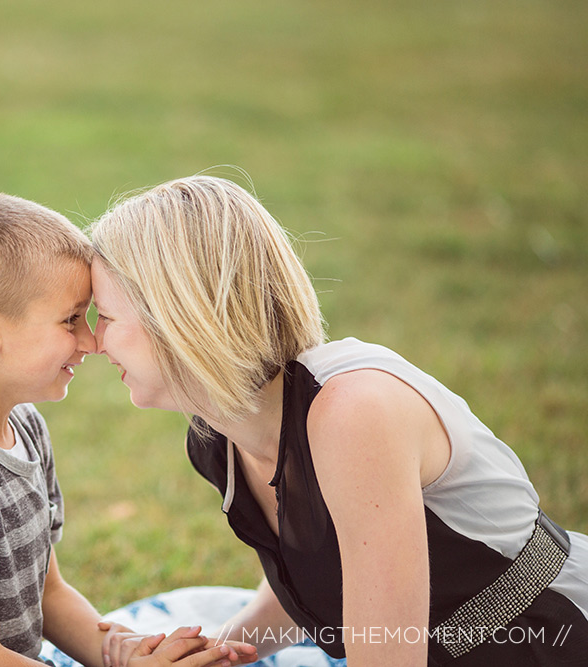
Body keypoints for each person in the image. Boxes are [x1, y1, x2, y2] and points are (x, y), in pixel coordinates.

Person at [88, 175, 588, 666]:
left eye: (105, 316)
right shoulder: (216, 436)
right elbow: (318, 584)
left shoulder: (353, 413)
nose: (92, 340)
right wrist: (218, 653)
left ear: (177, 316)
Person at [0, 191, 256, 667]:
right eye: (71, 319)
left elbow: (49, 594)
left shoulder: (23, 426)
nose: (91, 341)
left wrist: (126, 653)